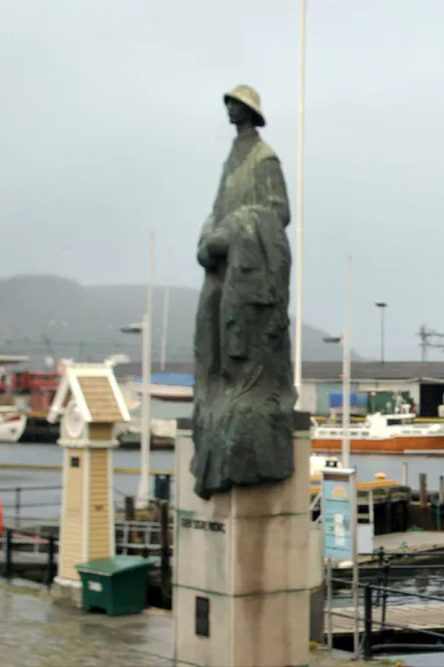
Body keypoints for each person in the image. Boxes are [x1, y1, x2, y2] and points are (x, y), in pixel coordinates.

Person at [191, 84, 297, 500]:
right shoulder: (231, 158)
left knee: (246, 343)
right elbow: (217, 208)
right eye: (228, 104)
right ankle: (216, 405)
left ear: (250, 111)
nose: (230, 110)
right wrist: (208, 235)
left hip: (248, 265)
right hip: (221, 265)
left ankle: (247, 403)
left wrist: (237, 228)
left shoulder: (264, 158)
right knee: (208, 333)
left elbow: (278, 212)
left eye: (236, 104)